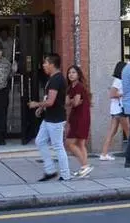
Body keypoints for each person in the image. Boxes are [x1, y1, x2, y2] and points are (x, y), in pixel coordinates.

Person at [29, 53, 71, 181]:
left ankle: (65, 174)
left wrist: (36, 104)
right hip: (49, 117)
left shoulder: (56, 80)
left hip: (56, 119)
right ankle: (50, 170)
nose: (43, 65)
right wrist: (42, 108)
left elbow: (51, 101)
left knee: (58, 146)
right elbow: (49, 98)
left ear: (52, 64)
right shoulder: (53, 78)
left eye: (45, 63)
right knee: (40, 141)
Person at [99, 60, 130, 161]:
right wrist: (124, 94)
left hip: (116, 109)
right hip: (120, 109)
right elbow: (112, 94)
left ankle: (104, 153)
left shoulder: (118, 80)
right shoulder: (118, 81)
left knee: (112, 131)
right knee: (129, 131)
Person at [65, 65, 93, 178]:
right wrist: (73, 101)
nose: (71, 75)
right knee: (80, 144)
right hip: (76, 116)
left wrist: (72, 101)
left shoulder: (79, 86)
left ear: (78, 74)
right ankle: (84, 169)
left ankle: (85, 165)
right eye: (69, 73)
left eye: (73, 72)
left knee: (69, 143)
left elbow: (75, 103)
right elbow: (67, 103)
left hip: (81, 117)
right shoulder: (70, 87)